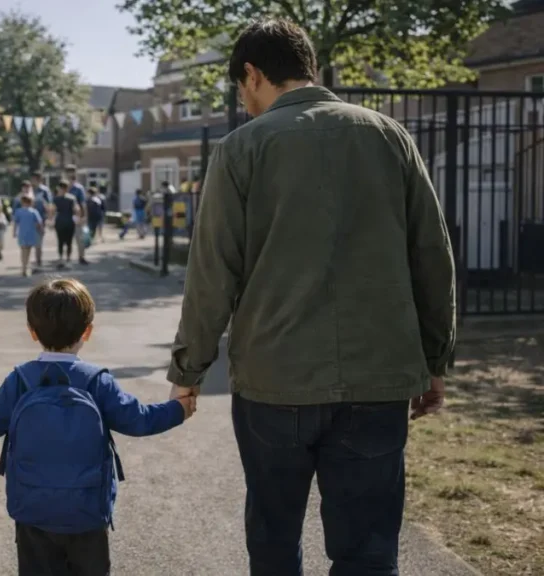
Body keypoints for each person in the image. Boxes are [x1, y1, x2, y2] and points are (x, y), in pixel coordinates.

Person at [167, 20, 455, 576]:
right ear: (310, 67)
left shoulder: (240, 149)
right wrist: (435, 360)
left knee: (274, 541)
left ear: (252, 74)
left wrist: (190, 370)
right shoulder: (390, 136)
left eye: (239, 87)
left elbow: (211, 275)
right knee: (369, 552)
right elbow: (432, 257)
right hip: (379, 377)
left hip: (275, 382)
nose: (243, 101)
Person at [0, 279, 196, 576]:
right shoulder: (96, 381)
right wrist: (178, 409)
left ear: (32, 332)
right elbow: (139, 419)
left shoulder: (21, 380)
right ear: (87, 331)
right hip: (86, 512)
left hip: (33, 510)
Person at [11, 193, 44, 277]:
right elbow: (39, 223)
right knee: (28, 251)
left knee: (23, 250)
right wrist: (41, 230)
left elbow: (15, 223)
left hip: (22, 233)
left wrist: (14, 232)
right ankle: (25, 267)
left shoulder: (18, 211)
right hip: (31, 233)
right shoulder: (34, 211)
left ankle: (24, 267)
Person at [50, 180, 79, 268]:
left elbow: (52, 210)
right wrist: (77, 218)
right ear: (67, 188)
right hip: (70, 222)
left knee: (60, 241)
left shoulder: (55, 199)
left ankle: (61, 258)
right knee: (69, 241)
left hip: (59, 222)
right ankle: (68, 259)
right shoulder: (72, 198)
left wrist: (51, 220)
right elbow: (76, 210)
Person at [64, 165, 90, 265]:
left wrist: (84, 216)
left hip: (76, 216)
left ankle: (81, 257)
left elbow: (83, 203)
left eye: (72, 171)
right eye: (68, 172)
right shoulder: (63, 187)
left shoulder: (79, 188)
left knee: (79, 237)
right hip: (65, 215)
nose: (70, 174)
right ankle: (67, 257)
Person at [29, 171, 52, 268]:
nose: (32, 181)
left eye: (33, 179)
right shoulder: (30, 190)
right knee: (29, 240)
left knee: (38, 241)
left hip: (40, 219)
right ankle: (30, 261)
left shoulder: (44, 190)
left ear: (38, 179)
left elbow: (49, 204)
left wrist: (49, 218)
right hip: (29, 219)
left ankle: (38, 261)